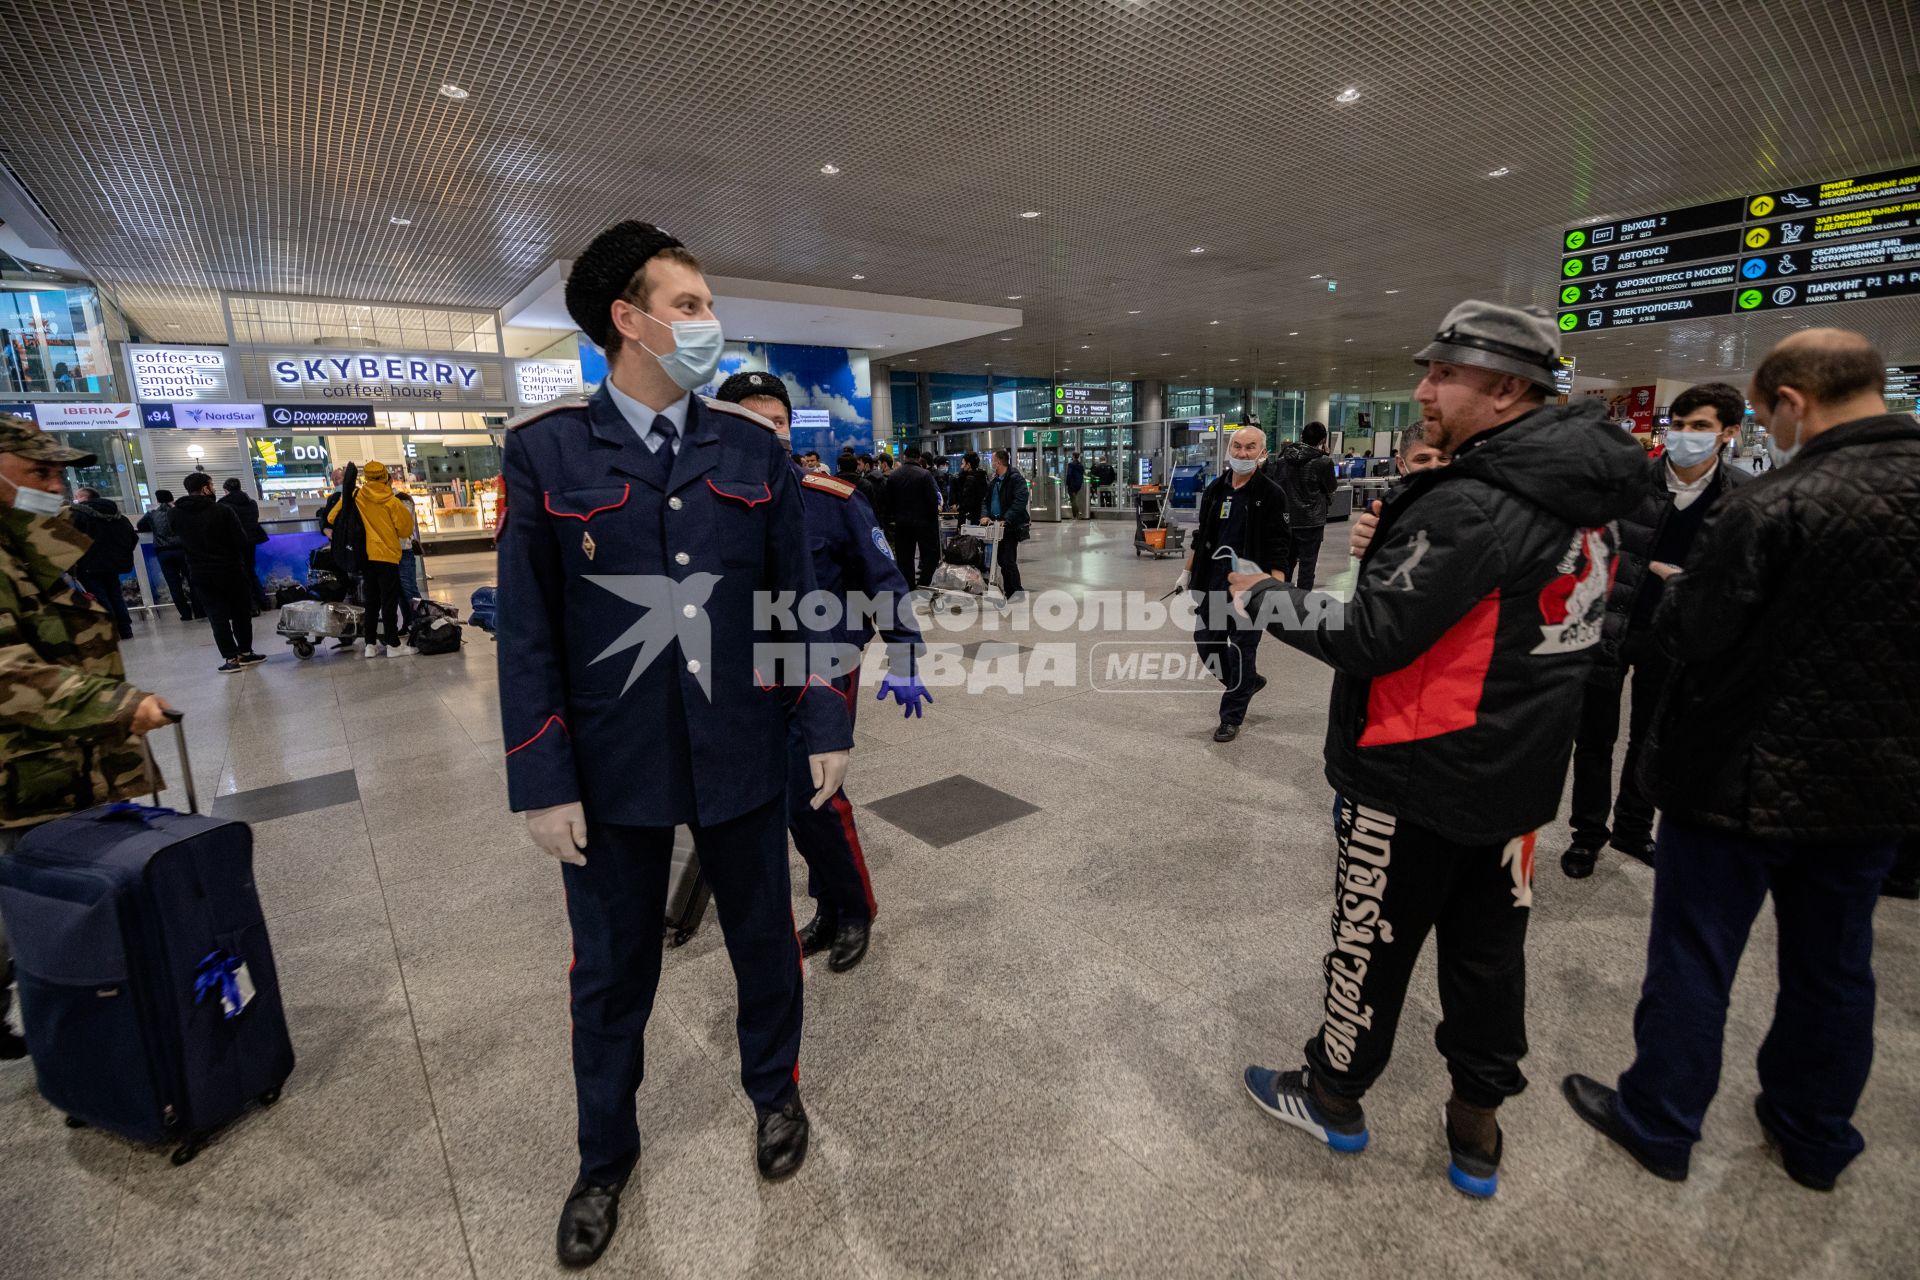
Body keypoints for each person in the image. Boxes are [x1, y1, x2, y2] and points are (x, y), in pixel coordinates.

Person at [1230, 300, 1643, 1199]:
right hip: (1520, 780)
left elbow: (1375, 635)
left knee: (1368, 941)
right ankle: (1475, 1128)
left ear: (1504, 389)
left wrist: (1264, 595)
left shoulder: (1473, 501)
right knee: (1491, 955)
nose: (1423, 389)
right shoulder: (1593, 502)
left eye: (1443, 374)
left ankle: (1333, 1095)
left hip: (1414, 777)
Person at [500, 222, 852, 1267]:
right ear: (629, 320)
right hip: (611, 769)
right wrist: (540, 777)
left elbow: (800, 602)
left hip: (741, 746)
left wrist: (824, 718)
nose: (709, 323)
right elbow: (526, 633)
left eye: (705, 304)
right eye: (689, 305)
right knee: (609, 973)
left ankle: (775, 1094)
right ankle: (604, 1154)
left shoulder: (753, 451)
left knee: (762, 941)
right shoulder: (547, 451)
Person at [1562, 329, 1920, 1194]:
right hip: (1875, 782)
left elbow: (1692, 633)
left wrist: (1677, 585)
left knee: (1697, 953)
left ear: (1792, 402)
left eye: (1762, 415)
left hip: (1740, 774)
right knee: (1835, 963)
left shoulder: (1775, 502)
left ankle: (1661, 1120)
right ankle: (1814, 1134)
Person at [716, 370, 929, 972]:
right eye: (755, 423)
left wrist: (906, 653)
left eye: (778, 422)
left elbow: (884, 580)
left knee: (813, 795)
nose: (771, 434)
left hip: (824, 665)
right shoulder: (712, 506)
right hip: (747, 673)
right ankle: (829, 904)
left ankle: (855, 907)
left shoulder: (831, 499)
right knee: (781, 799)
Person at [0, 414, 175, 1061]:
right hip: (21, 780)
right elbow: (8, 673)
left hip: (70, 768)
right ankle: (82, 1048)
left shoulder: (35, 544)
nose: (53, 484)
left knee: (64, 911)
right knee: (35, 916)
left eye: (56, 472)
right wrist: (115, 703)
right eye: (36, 472)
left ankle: (107, 1030)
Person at [1560, 383, 1749, 878]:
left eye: (1700, 427)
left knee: (1649, 737)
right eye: (1679, 425)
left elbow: (1744, 578)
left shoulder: (1741, 496)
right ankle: (1587, 833)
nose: (1685, 435)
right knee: (1595, 737)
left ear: (1728, 433)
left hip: (1675, 636)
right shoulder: (1627, 481)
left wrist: (1696, 587)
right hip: (1610, 624)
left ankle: (1632, 828)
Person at [1175, 426, 1290, 743]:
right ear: (1228, 449)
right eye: (1237, 447)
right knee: (1206, 641)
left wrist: (1276, 589)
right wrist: (1187, 572)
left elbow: (1281, 546)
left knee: (1242, 649)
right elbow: (1202, 535)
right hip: (1214, 581)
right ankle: (1246, 682)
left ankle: (1231, 717)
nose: (1242, 453)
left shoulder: (1270, 494)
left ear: (1262, 452)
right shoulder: (1215, 490)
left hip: (1252, 587)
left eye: (1250, 447)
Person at [172, 473, 265, 673]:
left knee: (216, 615)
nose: (213, 489)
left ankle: (230, 658)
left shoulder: (176, 513)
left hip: (199, 572)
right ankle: (245, 652)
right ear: (205, 488)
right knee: (240, 611)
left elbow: (175, 535)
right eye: (211, 485)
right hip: (229, 569)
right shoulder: (222, 510)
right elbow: (240, 539)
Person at [330, 461, 416, 658]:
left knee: (371, 601)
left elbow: (334, 517)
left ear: (366, 477)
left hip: (365, 556)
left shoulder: (355, 495)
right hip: (387, 556)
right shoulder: (391, 500)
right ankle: (393, 644)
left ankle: (370, 644)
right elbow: (405, 529)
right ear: (385, 476)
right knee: (389, 600)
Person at [1272, 422, 1337, 589]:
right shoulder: (1324, 462)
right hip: (1311, 521)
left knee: (1286, 564)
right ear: (1323, 439)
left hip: (1287, 520)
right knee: (1307, 567)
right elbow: (1331, 487)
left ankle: (1281, 601)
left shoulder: (1282, 459)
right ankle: (1301, 605)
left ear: (1301, 436)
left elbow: (1277, 487)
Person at [67, 486, 138, 639]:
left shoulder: (79, 516)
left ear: (85, 498)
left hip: (88, 564)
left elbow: (69, 540)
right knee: (115, 594)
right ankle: (125, 629)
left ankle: (111, 630)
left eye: (77, 496)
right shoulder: (119, 516)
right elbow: (132, 538)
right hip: (114, 565)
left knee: (99, 597)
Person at [136, 489, 201, 621]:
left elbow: (140, 526)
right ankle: (199, 611)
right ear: (172, 498)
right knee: (193, 581)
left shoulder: (152, 514)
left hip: (163, 552)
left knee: (174, 584)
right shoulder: (180, 511)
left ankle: (185, 614)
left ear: (158, 500)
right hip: (182, 550)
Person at [884, 446, 942, 587]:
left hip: (902, 524)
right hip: (924, 524)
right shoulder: (925, 475)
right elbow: (933, 501)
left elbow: (888, 503)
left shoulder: (893, 476)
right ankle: (924, 583)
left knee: (905, 558)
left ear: (904, 457)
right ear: (919, 457)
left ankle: (908, 585)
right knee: (930, 556)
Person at [217, 476, 271, 614]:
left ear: (226, 490)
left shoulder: (223, 505)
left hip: (234, 543)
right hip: (251, 541)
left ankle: (251, 605)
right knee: (251, 571)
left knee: (241, 574)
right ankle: (264, 601)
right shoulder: (251, 502)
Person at [981, 448, 1030, 599]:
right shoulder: (994, 480)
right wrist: (985, 515)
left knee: (1008, 559)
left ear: (999, 462)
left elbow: (1020, 501)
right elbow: (986, 501)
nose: (991, 462)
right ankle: (1009, 591)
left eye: (993, 460)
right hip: (996, 525)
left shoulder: (1015, 478)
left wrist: (1006, 519)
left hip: (1010, 526)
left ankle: (1017, 591)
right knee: (1002, 559)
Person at [954, 451, 987, 524]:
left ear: (968, 464)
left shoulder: (970, 479)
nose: (961, 466)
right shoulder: (983, 476)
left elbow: (966, 502)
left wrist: (959, 507)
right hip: (980, 516)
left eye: (963, 463)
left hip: (969, 518)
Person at [1065, 450, 1086, 517]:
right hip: (1078, 484)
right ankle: (1076, 513)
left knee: (1073, 500)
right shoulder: (1081, 465)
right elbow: (1082, 474)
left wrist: (1067, 483)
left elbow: (1069, 475)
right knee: (1074, 498)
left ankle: (1076, 513)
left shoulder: (1071, 465)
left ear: (1073, 456)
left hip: (1072, 484)